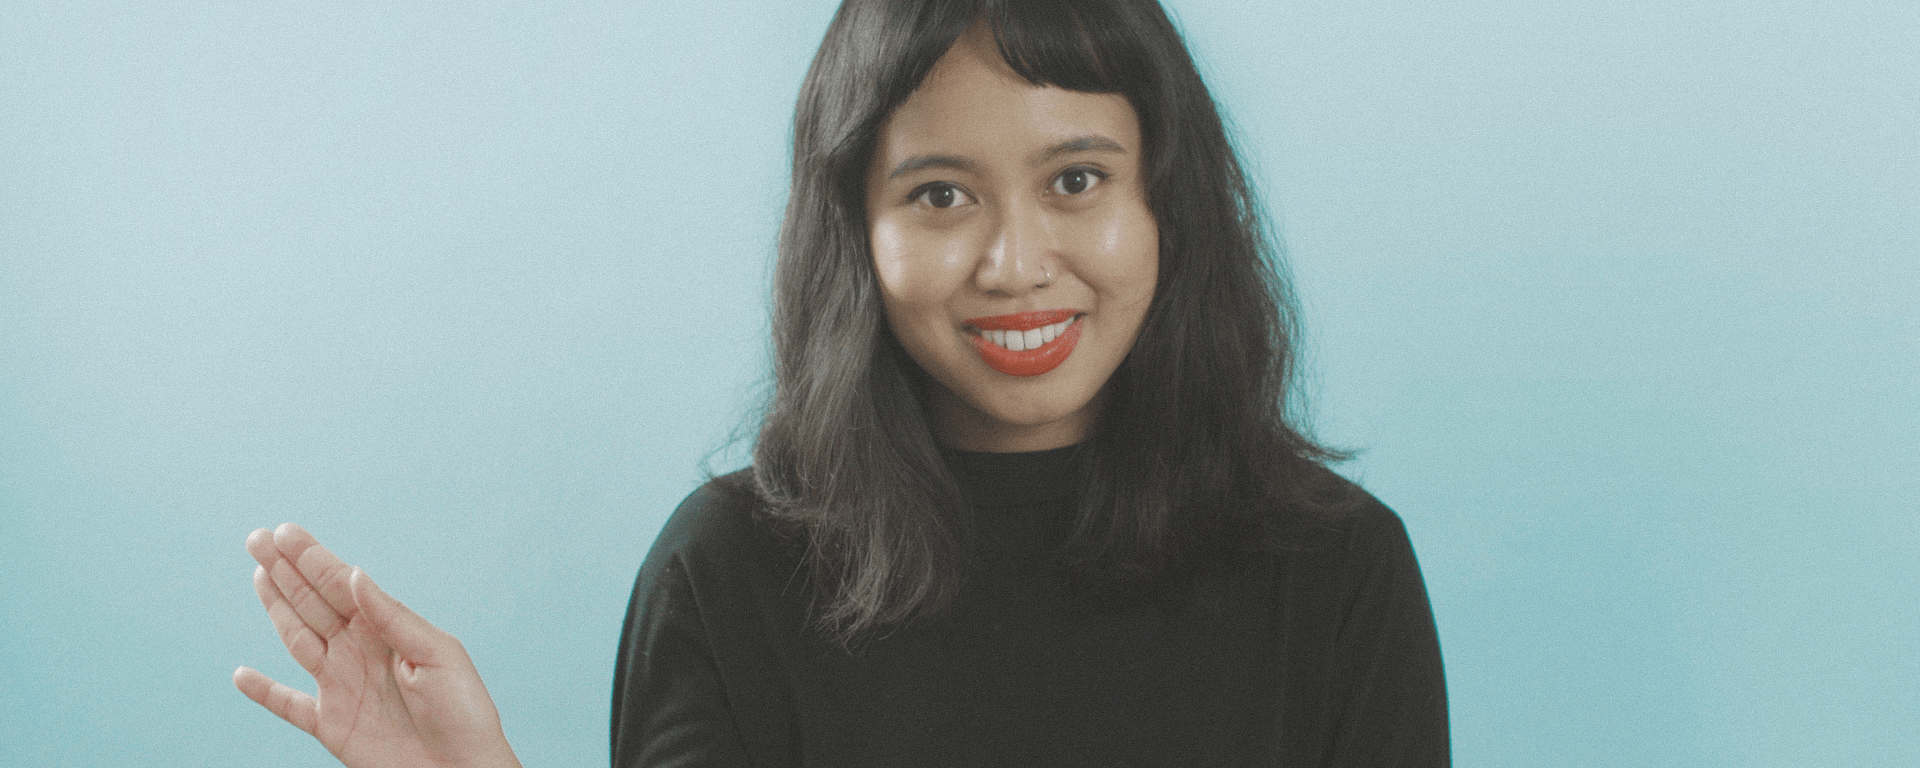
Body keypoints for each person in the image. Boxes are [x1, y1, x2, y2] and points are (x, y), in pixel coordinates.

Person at [235, 0, 1449, 765]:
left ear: (1167, 207)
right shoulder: (727, 578)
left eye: (1076, 180)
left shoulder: (1338, 574)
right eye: (939, 195)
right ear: (852, 235)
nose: (1014, 263)